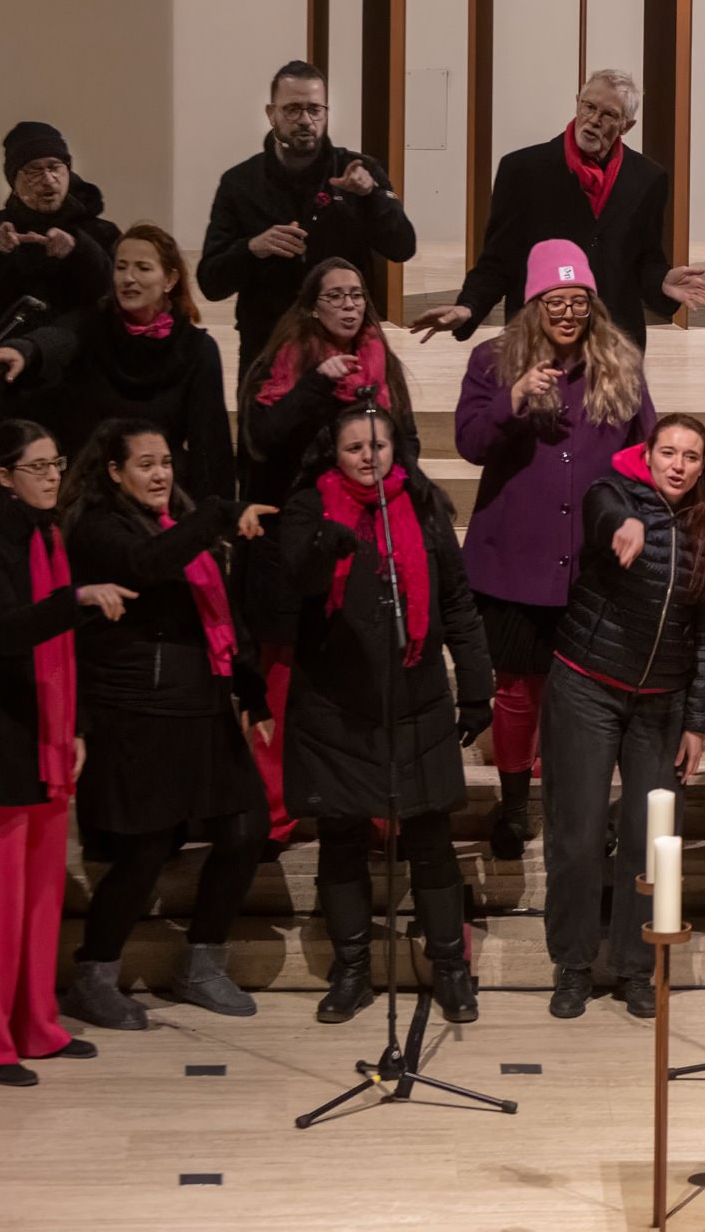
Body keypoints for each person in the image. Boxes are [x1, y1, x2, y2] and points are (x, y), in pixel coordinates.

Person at [58, 421, 279, 1030]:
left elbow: (221, 613)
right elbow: (146, 566)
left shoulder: (174, 521)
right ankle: (93, 977)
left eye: (165, 463)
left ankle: (202, 964)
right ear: (114, 472)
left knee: (247, 827)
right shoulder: (99, 528)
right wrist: (214, 515)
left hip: (201, 704)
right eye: (146, 464)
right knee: (146, 849)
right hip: (139, 711)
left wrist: (251, 690)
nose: (160, 475)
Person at [276, 404, 492, 1025]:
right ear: (334, 454)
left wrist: (475, 685)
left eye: (379, 445)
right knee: (342, 838)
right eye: (354, 448)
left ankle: (449, 966)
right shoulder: (309, 508)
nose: (369, 457)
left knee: (430, 838)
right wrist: (325, 545)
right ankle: (351, 969)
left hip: (415, 698)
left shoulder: (422, 505)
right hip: (335, 704)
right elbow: (296, 583)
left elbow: (456, 599)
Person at [454, 240, 654, 863]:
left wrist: (636, 515)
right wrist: (513, 398)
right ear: (532, 305)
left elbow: (646, 451)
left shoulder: (619, 363)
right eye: (554, 302)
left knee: (590, 695)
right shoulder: (493, 361)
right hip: (515, 564)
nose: (568, 313)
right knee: (518, 691)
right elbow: (469, 443)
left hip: (595, 567)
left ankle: (583, 809)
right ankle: (515, 807)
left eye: (578, 302)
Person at [0, 419, 126, 1085]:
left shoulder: (47, 535)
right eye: (37, 466)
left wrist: (74, 727)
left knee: (40, 898)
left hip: (44, 730)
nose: (52, 476)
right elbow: (5, 631)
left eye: (56, 463)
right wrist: (76, 598)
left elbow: (64, 648)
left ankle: (34, 1025)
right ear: (3, 476)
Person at [540, 415, 705, 1021]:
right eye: (668, 452)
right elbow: (599, 507)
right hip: (587, 687)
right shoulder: (615, 492)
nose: (678, 465)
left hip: (662, 704)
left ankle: (636, 967)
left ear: (702, 466)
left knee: (653, 841)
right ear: (648, 455)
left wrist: (698, 722)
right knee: (579, 834)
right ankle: (572, 965)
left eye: (691, 456)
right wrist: (625, 523)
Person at [235, 257, 418, 847]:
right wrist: (316, 385)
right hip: (290, 543)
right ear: (312, 306)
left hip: (365, 540)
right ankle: (273, 815)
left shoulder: (381, 362)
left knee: (363, 678)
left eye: (357, 295)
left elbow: (406, 442)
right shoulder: (283, 362)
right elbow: (264, 442)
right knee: (279, 683)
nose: (348, 305)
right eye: (335, 296)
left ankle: (375, 809)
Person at [408, 69, 705, 349]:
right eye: (588, 106)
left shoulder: (648, 178)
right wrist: (469, 306)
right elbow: (499, 259)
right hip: (540, 339)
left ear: (627, 125)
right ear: (577, 103)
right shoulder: (523, 171)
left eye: (609, 114)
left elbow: (645, 259)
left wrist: (661, 282)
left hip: (615, 344)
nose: (593, 120)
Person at [0, 223, 235, 503]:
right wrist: (25, 350)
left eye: (143, 268)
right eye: (121, 267)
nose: (128, 278)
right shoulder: (94, 324)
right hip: (91, 495)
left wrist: (213, 518)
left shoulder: (197, 349)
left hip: (159, 494)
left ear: (170, 280)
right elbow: (60, 337)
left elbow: (210, 448)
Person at [199, 60, 418, 370]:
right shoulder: (240, 182)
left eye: (314, 109)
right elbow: (210, 282)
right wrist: (252, 248)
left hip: (347, 346)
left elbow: (403, 247)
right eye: (292, 109)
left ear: (326, 112)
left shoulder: (359, 170)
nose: (305, 120)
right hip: (267, 346)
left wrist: (372, 196)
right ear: (271, 113)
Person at [0, 121, 119, 476]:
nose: (48, 180)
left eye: (55, 168)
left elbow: (112, 305)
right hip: (4, 392)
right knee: (1, 495)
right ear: (12, 180)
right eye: (33, 171)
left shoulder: (100, 234)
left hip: (78, 392)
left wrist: (80, 252)